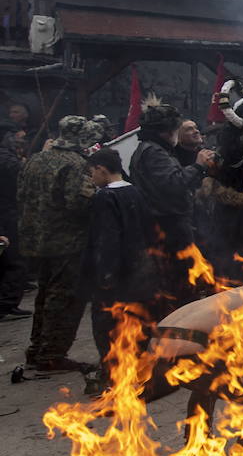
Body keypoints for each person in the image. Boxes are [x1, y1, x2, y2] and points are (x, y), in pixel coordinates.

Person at [17, 116, 100, 373]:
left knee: (43, 295)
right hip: (67, 242)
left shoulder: (36, 159)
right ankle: (52, 355)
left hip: (36, 240)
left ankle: (36, 349)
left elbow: (21, 194)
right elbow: (80, 203)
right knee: (64, 297)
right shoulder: (75, 164)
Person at [129, 103, 217, 314]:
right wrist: (198, 165)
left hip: (168, 225)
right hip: (168, 227)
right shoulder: (154, 152)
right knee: (181, 282)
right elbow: (174, 183)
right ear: (168, 130)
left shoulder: (153, 150)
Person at [81, 149, 154, 391]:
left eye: (91, 171)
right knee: (137, 323)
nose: (91, 177)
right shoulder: (135, 191)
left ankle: (116, 379)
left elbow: (107, 239)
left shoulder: (104, 198)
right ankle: (142, 374)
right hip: (139, 273)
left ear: (101, 169)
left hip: (116, 277)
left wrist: (105, 275)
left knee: (108, 328)